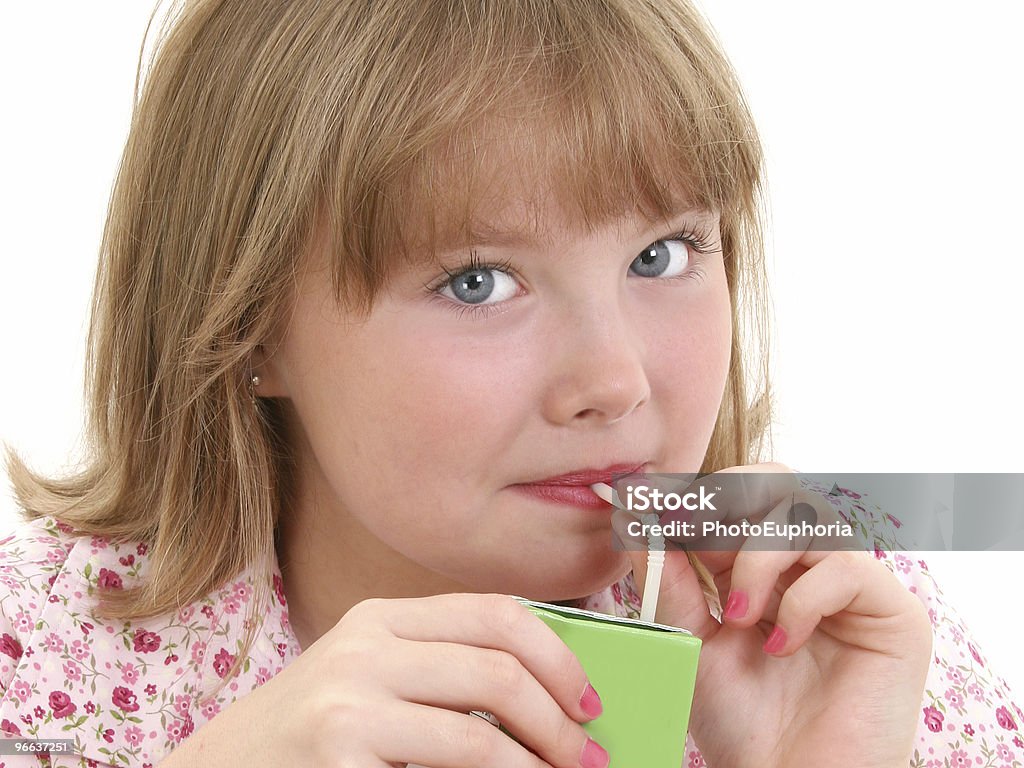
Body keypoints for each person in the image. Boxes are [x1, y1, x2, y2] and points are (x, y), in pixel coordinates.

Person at [0, 0, 1019, 766]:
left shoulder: (828, 617)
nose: (614, 382)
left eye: (663, 255)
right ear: (249, 326)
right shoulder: (40, 654)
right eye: (478, 282)